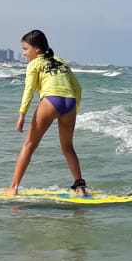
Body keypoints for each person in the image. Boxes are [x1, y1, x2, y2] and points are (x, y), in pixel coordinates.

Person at [7, 29, 86, 196]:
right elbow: (77, 87)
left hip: (51, 100)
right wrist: (75, 107)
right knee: (68, 147)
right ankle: (80, 188)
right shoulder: (61, 61)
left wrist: (22, 114)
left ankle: (13, 188)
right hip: (69, 102)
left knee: (29, 145)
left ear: (37, 49)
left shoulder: (34, 64)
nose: (24, 53)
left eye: (25, 48)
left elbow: (28, 90)